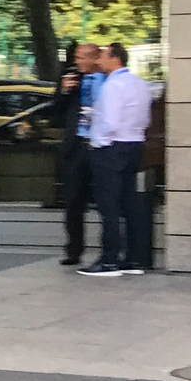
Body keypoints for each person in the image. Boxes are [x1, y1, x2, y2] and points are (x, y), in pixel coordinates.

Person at [79, 43, 153, 277]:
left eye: (102, 55)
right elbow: (146, 118)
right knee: (130, 204)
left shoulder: (113, 86)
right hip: (134, 145)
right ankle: (134, 259)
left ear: (114, 59)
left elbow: (109, 122)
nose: (99, 60)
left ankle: (109, 259)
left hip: (111, 148)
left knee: (108, 205)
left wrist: (96, 142)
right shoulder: (140, 84)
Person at [50, 41, 102, 266]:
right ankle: (73, 249)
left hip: (100, 144)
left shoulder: (106, 80)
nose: (77, 62)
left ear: (94, 58)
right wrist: (64, 91)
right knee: (73, 201)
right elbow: (55, 112)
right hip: (76, 146)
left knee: (105, 201)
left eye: (81, 57)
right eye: (76, 58)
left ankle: (109, 249)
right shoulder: (71, 79)